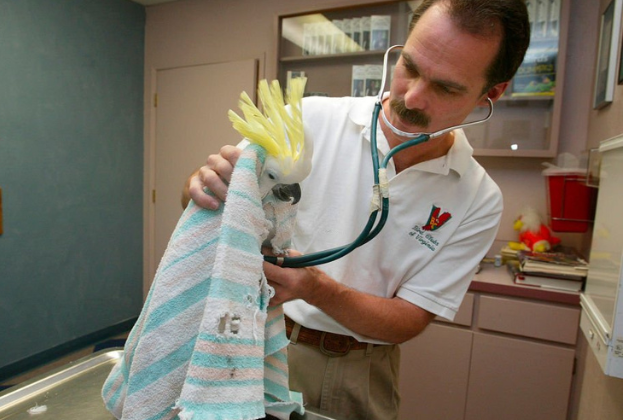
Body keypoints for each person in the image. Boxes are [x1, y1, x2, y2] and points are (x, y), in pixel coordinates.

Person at [184, 0, 530, 418]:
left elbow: (410, 319)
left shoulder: (479, 197)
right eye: (410, 67)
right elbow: (204, 210)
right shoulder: (308, 121)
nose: (413, 97)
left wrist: (315, 288)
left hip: (363, 371)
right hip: (261, 342)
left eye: (447, 88)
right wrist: (203, 188)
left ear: (492, 93)